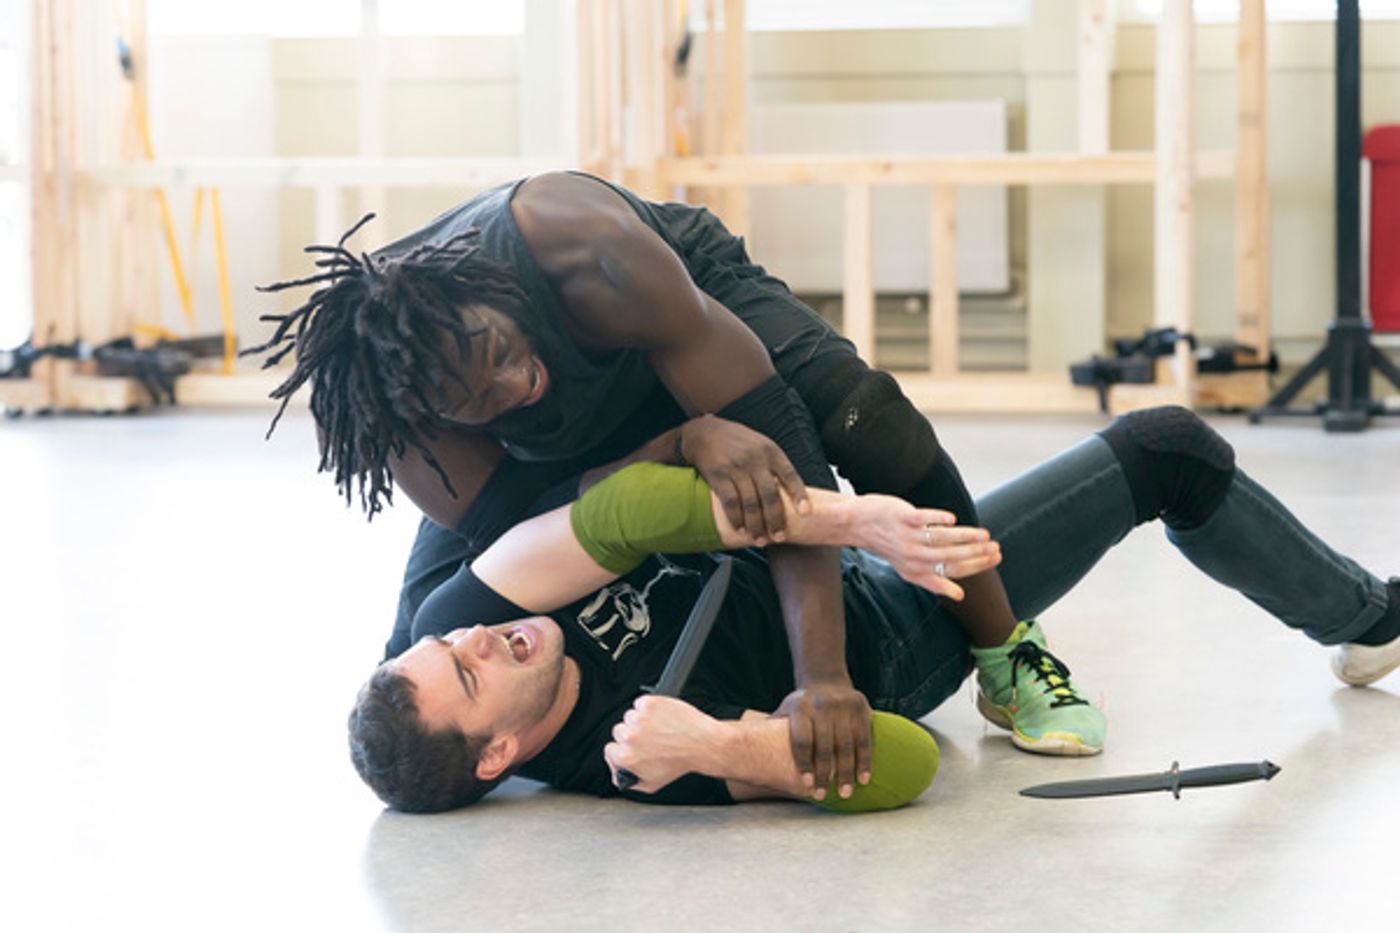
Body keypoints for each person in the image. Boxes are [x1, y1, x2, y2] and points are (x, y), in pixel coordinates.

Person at [246, 170, 1098, 794]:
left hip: (680, 294)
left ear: (497, 302)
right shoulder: (400, 410)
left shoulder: (588, 250)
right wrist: (681, 441)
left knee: (862, 417)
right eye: (477, 399)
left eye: (501, 355)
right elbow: (570, 525)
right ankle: (459, 706)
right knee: (453, 606)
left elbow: (782, 458)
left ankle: (1004, 650)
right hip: (538, 462)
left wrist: (824, 676)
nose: (514, 390)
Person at [347, 407, 1400, 813]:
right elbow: (902, 763)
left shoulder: (457, 612)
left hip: (836, 556)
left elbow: (618, 511)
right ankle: (1376, 622)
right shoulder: (634, 755)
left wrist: (850, 521)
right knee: (1163, 451)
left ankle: (1351, 614)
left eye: (454, 643)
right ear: (497, 757)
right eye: (473, 674)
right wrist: (729, 745)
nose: (478, 637)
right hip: (891, 638)